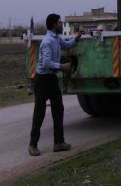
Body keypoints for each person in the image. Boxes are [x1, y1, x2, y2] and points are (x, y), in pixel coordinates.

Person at [28, 13, 83, 156]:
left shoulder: (57, 38)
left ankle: (58, 143)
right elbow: (46, 63)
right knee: (39, 113)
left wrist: (77, 37)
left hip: (51, 79)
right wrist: (62, 67)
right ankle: (33, 145)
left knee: (58, 109)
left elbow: (67, 44)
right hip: (42, 80)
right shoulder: (47, 41)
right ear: (54, 24)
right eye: (59, 22)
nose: (60, 24)